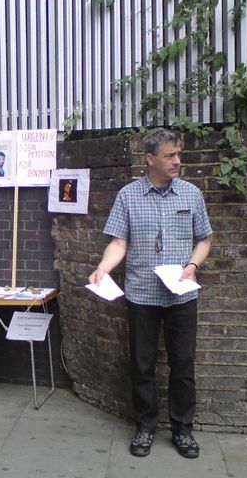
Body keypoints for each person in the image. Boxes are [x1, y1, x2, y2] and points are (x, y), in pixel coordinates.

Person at [88, 129, 212, 459]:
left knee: (183, 366)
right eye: (170, 155)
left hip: (181, 296)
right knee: (142, 366)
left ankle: (182, 430)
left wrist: (193, 266)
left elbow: (204, 239)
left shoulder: (191, 194)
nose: (177, 161)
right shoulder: (128, 196)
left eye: (178, 154)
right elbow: (118, 242)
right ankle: (145, 426)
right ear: (150, 159)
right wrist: (103, 268)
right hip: (141, 295)